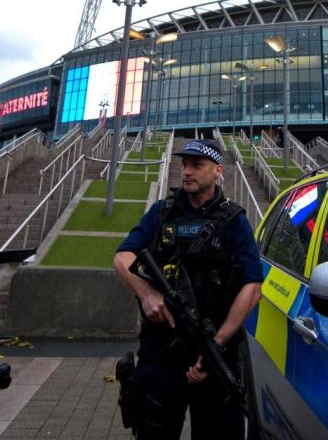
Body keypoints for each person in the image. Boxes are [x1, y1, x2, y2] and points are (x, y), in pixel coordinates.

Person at [113, 139, 262, 440]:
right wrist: (146, 293)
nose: (187, 172)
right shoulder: (161, 212)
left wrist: (217, 345)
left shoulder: (234, 220)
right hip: (161, 355)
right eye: (184, 165)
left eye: (197, 165)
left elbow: (253, 286)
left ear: (218, 170)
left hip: (212, 355)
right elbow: (122, 257)